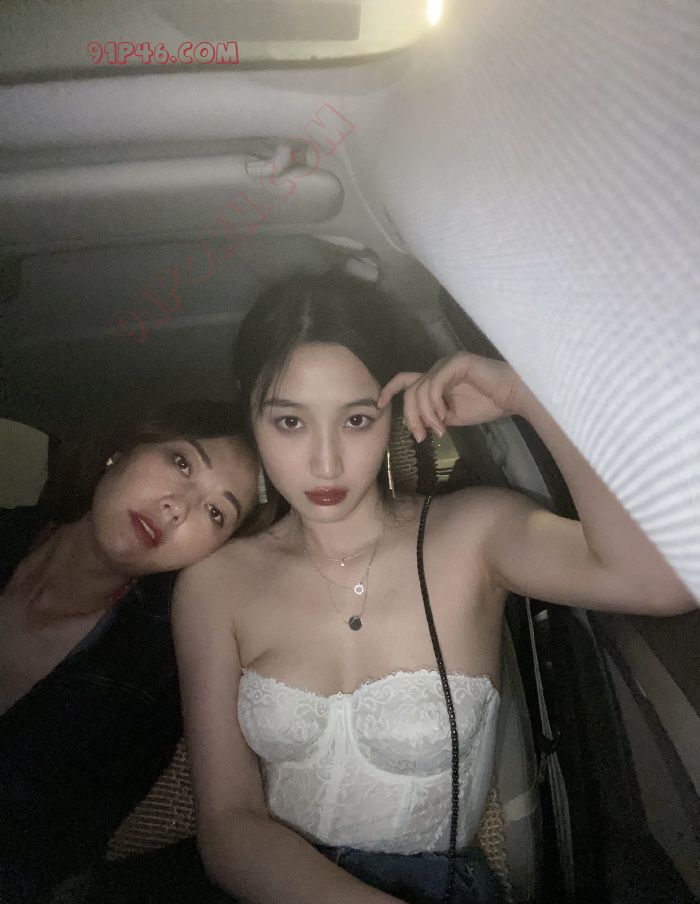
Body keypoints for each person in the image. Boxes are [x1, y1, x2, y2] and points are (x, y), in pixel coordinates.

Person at [55, 273, 694, 904]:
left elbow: (658, 582)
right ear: (252, 414)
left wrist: (528, 397)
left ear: (394, 411)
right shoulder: (216, 582)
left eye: (357, 419)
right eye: (290, 422)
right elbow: (227, 823)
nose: (326, 462)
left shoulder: (473, 533)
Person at [0, 399, 270, 904]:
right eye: (182, 462)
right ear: (123, 448)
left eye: (216, 513)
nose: (177, 508)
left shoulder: (156, 677)